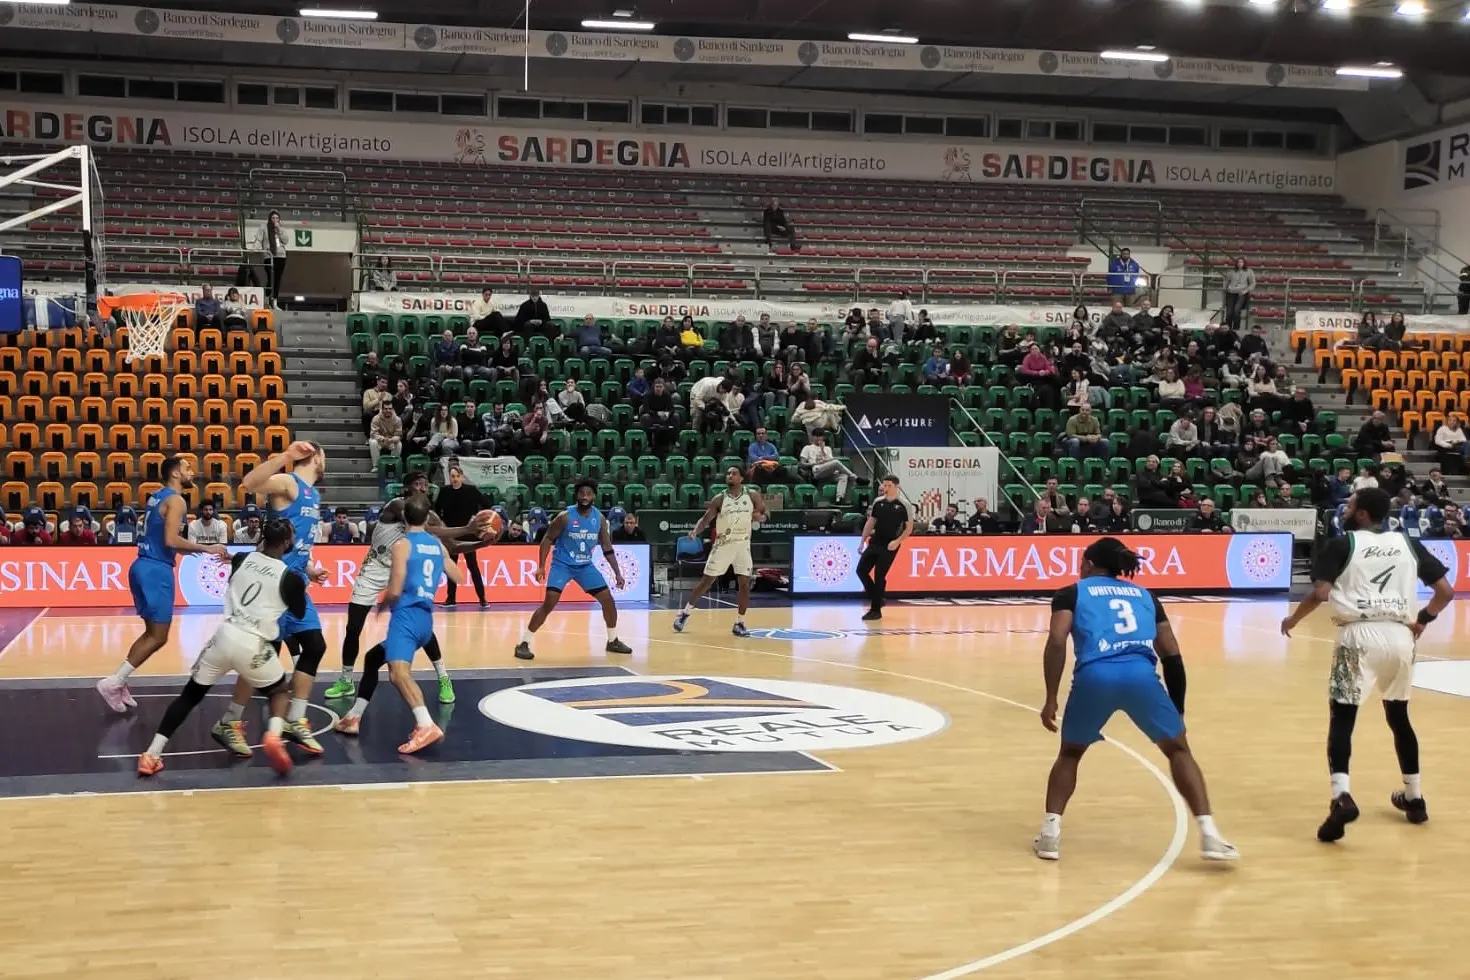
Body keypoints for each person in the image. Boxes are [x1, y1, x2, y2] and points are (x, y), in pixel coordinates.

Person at [1035, 537, 1238, 863]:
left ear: (1089, 564)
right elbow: (1171, 652)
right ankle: (1210, 835)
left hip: (1095, 676)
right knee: (1178, 749)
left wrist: (1050, 697)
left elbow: (1057, 640)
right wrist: (1177, 708)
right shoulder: (1146, 596)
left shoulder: (1071, 592)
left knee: (1070, 753)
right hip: (1141, 676)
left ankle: (1050, 835)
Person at [1280, 487, 1454, 841]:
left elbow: (1320, 593)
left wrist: (1293, 620)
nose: (1345, 509)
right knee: (1399, 717)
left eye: (1351, 505)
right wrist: (1423, 620)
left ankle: (1341, 797)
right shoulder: (1407, 543)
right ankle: (1414, 797)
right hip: (1401, 637)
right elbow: (1446, 592)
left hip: (1358, 636)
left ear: (1361, 514)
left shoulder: (1341, 544)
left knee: (1343, 718)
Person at [136, 519, 305, 777]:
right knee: (280, 692)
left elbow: (246, 565)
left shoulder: (242, 560)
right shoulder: (291, 578)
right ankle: (273, 735)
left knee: (189, 697)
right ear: (286, 542)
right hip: (254, 644)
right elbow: (299, 612)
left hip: (224, 637)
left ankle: (151, 754)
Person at [211, 442, 330, 758]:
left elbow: (298, 543)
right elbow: (249, 483)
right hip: (271, 583)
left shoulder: (313, 495)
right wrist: (286, 457)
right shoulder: (289, 483)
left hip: (295, 582)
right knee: (263, 655)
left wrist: (311, 569)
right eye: (324, 456)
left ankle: (296, 719)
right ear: (315, 457)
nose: (326, 461)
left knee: (315, 646)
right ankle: (230, 721)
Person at [325, 472, 487, 703]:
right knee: (353, 627)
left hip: (403, 568)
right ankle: (346, 679)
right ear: (407, 487)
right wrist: (467, 528)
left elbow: (453, 546)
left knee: (419, 624)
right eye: (417, 484)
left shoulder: (429, 515)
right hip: (375, 568)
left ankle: (443, 677)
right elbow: (423, 528)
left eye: (425, 485)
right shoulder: (397, 505)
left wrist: (483, 543)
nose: (422, 488)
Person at [96, 456, 230, 712]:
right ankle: (113, 682)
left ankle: (119, 680)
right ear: (175, 473)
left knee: (151, 634)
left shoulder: (156, 497)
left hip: (142, 565)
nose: (192, 472)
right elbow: (171, 540)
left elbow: (165, 541)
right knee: (159, 637)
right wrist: (207, 547)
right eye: (187, 468)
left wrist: (201, 551)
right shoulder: (177, 500)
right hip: (156, 570)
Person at [331, 495, 463, 754]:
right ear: (427, 517)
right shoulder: (437, 545)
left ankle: (426, 724)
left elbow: (395, 588)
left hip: (405, 618)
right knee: (372, 659)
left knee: (398, 675)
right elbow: (457, 576)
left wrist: (381, 607)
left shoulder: (402, 545)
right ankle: (353, 717)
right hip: (425, 620)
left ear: (404, 517)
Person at [514, 479, 631, 661]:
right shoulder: (565, 517)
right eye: (582, 493)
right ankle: (523, 643)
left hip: (585, 566)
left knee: (608, 600)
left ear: (594, 496)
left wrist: (617, 573)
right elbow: (547, 539)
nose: (585, 497)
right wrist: (542, 565)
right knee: (549, 603)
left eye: (588, 494)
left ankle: (613, 640)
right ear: (576, 495)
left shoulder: (599, 519)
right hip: (563, 565)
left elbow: (607, 547)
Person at [674, 467, 766, 637]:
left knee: (744, 584)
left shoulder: (752, 496)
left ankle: (739, 622)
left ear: (741, 478)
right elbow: (705, 519)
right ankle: (685, 613)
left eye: (734, 473)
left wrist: (762, 517)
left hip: (743, 544)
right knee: (706, 581)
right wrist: (695, 531)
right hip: (723, 545)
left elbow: (765, 512)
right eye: (728, 473)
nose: (730, 476)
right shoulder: (720, 498)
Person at [857, 476, 913, 622]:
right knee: (861, 570)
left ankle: (875, 610)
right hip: (875, 542)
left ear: (896, 486)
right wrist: (862, 541)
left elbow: (909, 528)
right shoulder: (878, 502)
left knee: (879, 575)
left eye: (889, 485)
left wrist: (897, 541)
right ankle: (877, 597)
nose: (885, 488)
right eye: (884, 485)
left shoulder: (904, 505)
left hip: (890, 545)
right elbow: (871, 522)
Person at [433, 465, 489, 607]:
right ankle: (451, 599)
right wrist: (442, 525)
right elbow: (436, 511)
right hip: (451, 534)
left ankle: (482, 598)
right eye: (452, 476)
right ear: (449, 477)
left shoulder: (471, 490)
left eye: (457, 476)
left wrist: (477, 519)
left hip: (469, 534)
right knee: (452, 567)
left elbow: (486, 505)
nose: (455, 479)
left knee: (473, 566)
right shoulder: (444, 491)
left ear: (462, 477)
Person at [799, 431, 857, 504]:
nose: (818, 438)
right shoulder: (807, 448)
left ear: (823, 437)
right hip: (817, 471)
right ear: (812, 437)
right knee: (836, 462)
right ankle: (855, 477)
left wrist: (822, 449)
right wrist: (815, 463)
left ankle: (839, 498)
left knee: (843, 476)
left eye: (820, 436)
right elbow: (802, 464)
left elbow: (830, 460)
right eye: (816, 436)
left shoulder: (827, 448)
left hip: (828, 472)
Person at [252, 209, 288, 308]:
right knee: (271, 277)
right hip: (269, 256)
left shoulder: (281, 228)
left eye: (277, 218)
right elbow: (259, 239)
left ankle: (275, 301)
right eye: (273, 218)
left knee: (277, 279)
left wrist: (279, 229)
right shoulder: (263, 227)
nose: (275, 220)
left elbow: (285, 241)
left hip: (281, 256)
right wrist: (255, 248)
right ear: (269, 218)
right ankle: (267, 300)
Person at [1221, 257, 1256, 330]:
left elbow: (1253, 283)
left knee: (1236, 311)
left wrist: (1246, 291)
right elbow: (1226, 281)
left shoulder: (1249, 271)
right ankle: (1227, 329)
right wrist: (1226, 288)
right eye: (1238, 262)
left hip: (1241, 293)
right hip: (1231, 292)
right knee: (1229, 313)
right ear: (1236, 263)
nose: (1240, 263)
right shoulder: (1231, 272)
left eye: (1241, 262)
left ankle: (1236, 329)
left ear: (1244, 263)